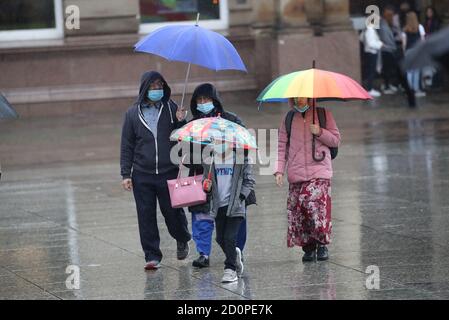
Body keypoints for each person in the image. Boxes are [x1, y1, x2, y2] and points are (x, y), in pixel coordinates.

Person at [120, 71, 191, 270]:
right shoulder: (132, 113)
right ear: (144, 88)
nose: (156, 90)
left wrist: (180, 121)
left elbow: (182, 138)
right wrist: (126, 174)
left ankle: (182, 237)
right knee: (145, 215)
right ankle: (152, 256)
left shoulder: (171, 108)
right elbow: (127, 145)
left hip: (168, 171)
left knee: (172, 213)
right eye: (152, 87)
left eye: (160, 86)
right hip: (142, 174)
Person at [184, 83, 250, 270]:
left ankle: (237, 250)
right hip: (204, 179)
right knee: (201, 216)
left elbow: (245, 144)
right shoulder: (192, 126)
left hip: (230, 177)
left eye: (206, 99)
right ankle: (203, 253)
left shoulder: (231, 119)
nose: (203, 103)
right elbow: (183, 153)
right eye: (199, 100)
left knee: (236, 217)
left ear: (215, 100)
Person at [275, 97, 340, 262]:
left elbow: (335, 140)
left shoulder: (323, 114)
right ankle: (309, 247)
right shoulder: (288, 119)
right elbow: (282, 146)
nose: (299, 99)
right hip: (296, 173)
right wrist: (279, 170)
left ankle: (322, 243)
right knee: (299, 212)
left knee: (313, 205)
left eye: (302, 95)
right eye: (296, 96)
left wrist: (319, 132)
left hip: (319, 169)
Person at [201, 138, 255, 283]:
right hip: (219, 206)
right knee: (220, 238)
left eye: (222, 141)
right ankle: (235, 258)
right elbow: (206, 182)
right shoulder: (210, 160)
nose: (219, 144)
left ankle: (230, 269)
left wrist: (240, 198)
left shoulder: (241, 159)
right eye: (216, 141)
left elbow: (249, 181)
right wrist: (206, 186)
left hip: (236, 206)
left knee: (230, 238)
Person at [379, 5, 416, 107]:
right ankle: (392, 86)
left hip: (394, 51)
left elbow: (394, 35)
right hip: (390, 50)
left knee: (398, 72)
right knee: (394, 71)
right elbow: (387, 39)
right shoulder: (384, 25)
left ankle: (398, 87)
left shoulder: (390, 24)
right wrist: (394, 45)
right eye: (390, 15)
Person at [402, 11, 426, 97]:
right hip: (417, 51)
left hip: (408, 51)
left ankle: (409, 91)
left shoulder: (405, 29)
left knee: (409, 72)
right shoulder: (420, 27)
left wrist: (404, 53)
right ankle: (415, 90)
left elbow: (404, 43)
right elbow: (423, 41)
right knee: (416, 72)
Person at [361, 23, 384, 97]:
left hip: (369, 52)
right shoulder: (370, 30)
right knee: (371, 71)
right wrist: (380, 44)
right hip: (372, 52)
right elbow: (371, 43)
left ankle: (369, 88)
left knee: (369, 71)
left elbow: (361, 38)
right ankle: (369, 89)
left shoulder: (366, 29)